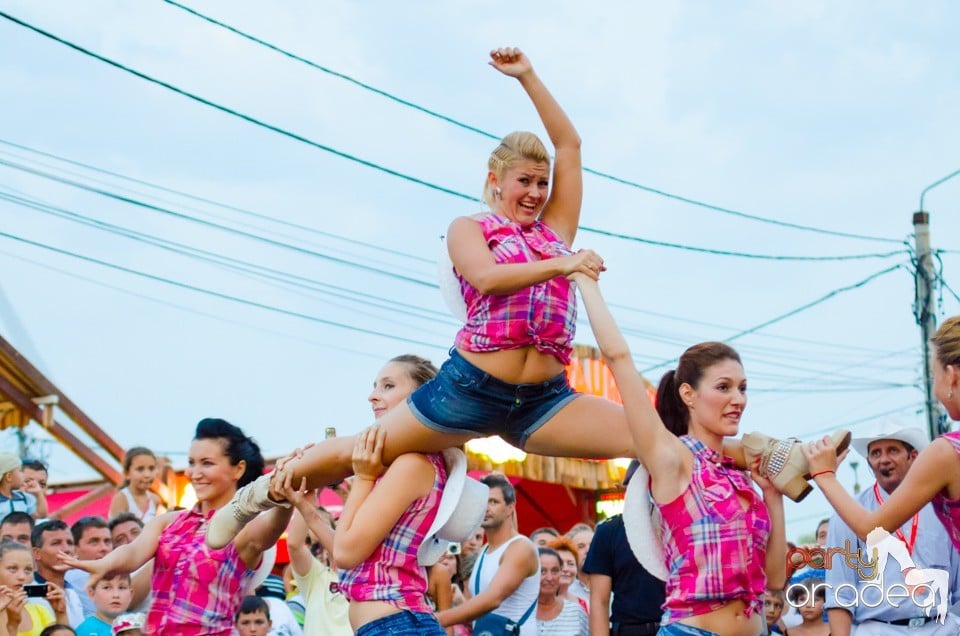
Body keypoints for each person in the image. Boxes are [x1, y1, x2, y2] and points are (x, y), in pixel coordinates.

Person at [573, 274, 787, 636]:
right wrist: (585, 280)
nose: (739, 399)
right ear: (688, 394)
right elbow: (618, 358)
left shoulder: (740, 477)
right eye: (724, 387)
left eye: (743, 388)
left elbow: (776, 577)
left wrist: (772, 494)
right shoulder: (672, 459)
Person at [58, 418, 292, 635]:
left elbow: (271, 528)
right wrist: (104, 564)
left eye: (207, 463)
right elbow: (133, 552)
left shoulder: (244, 528)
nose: (194, 473)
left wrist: (286, 492)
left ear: (238, 469)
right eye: (191, 463)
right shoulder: (168, 522)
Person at [804, 314, 960, 551]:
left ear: (951, 376)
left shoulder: (947, 453)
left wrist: (825, 475)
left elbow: (871, 530)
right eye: (876, 453)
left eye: (933, 374)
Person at [821, 423, 960, 635]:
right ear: (869, 463)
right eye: (875, 453)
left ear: (913, 457)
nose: (883, 459)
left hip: (940, 627)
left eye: (892, 450)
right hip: (879, 629)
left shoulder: (941, 507)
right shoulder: (847, 515)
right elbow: (840, 593)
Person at [438, 474, 539, 636]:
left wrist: (436, 619)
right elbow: (475, 609)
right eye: (483, 502)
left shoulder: (521, 548)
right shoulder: (483, 552)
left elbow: (493, 599)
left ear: (510, 508)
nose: (486, 508)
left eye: (493, 502)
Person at [582, 461, 665, 636]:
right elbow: (599, 600)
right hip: (630, 629)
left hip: (678, 626)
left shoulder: (682, 525)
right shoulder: (609, 531)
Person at [0, 539, 69, 635]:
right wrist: (12, 625)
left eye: (28, 570)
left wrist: (60, 612)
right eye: (12, 569)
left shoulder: (39, 611)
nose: (22, 577)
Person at [30, 521, 83, 627]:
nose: (66, 549)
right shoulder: (29, 593)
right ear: (37, 553)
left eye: (69, 543)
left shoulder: (73, 591)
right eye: (56, 543)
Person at [66, 518, 112, 618]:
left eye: (107, 542)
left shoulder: (123, 573)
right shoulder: (72, 578)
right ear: (74, 549)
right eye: (94, 542)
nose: (104, 548)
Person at [536, 547, 588, 635]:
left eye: (554, 571)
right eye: (542, 571)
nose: (549, 578)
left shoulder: (576, 612)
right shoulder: (517, 609)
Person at [108, 449, 163, 522]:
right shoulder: (122, 498)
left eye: (151, 469)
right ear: (127, 473)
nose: (147, 474)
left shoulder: (155, 499)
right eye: (140, 469)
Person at [547, 536, 588, 613]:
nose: (566, 569)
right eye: (560, 563)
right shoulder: (538, 601)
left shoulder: (583, 604)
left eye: (571, 564)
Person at [0, 454, 43, 519]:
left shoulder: (24, 498)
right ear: (9, 477)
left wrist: (39, 494)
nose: (24, 475)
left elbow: (41, 515)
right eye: (20, 471)